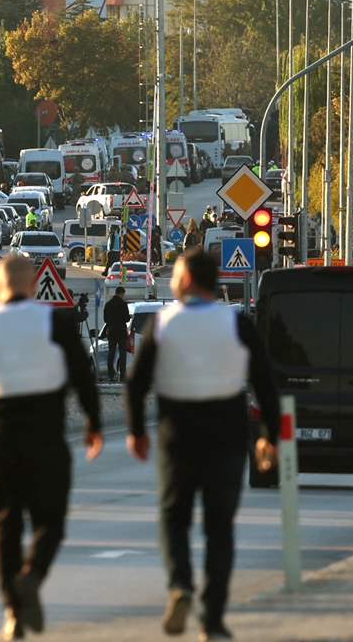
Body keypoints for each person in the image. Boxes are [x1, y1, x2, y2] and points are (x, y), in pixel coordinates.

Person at [126, 248, 281, 640]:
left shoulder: (164, 323)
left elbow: (137, 383)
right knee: (220, 527)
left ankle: (180, 585)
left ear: (188, 280)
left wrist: (136, 432)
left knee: (174, 518)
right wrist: (271, 436)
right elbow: (264, 382)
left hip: (177, 431)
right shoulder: (238, 324)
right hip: (227, 432)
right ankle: (212, 619)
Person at [0, 254, 104, 640]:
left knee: (7, 524)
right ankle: (32, 576)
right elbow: (83, 376)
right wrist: (93, 423)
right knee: (51, 522)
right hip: (45, 434)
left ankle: (12, 614)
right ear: (33, 286)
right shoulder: (55, 321)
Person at [102, 286, 131, 384]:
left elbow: (105, 319)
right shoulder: (123, 304)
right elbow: (127, 318)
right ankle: (122, 375)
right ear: (122, 293)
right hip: (121, 331)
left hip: (112, 331)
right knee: (123, 353)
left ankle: (111, 374)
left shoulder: (108, 304)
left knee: (111, 352)